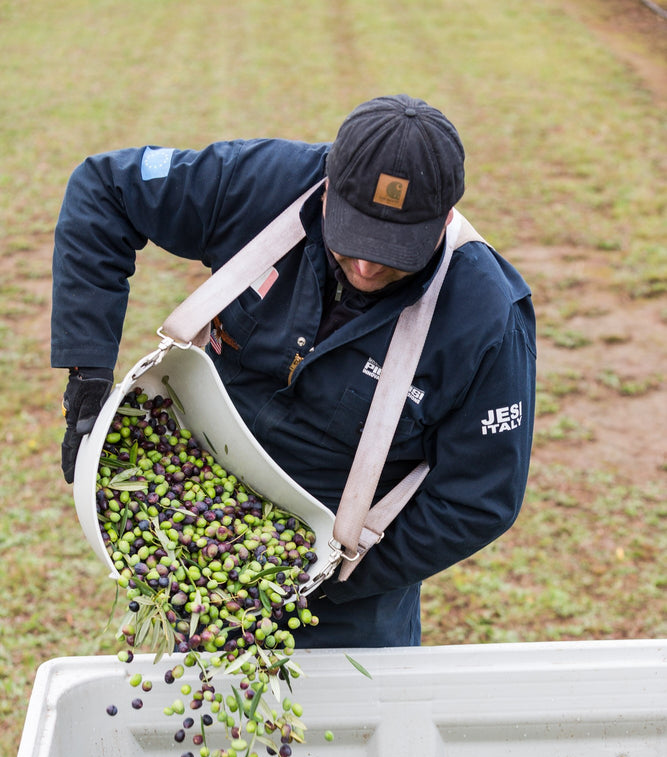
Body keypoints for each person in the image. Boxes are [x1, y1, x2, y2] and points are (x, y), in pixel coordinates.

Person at [52, 94, 536, 649]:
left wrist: (314, 580)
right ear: (327, 185)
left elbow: (479, 500)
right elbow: (104, 190)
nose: (366, 266)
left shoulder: (487, 318)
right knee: (186, 718)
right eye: (353, 236)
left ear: (444, 219)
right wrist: (87, 377)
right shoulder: (261, 185)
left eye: (393, 250)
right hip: (187, 532)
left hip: (343, 591)